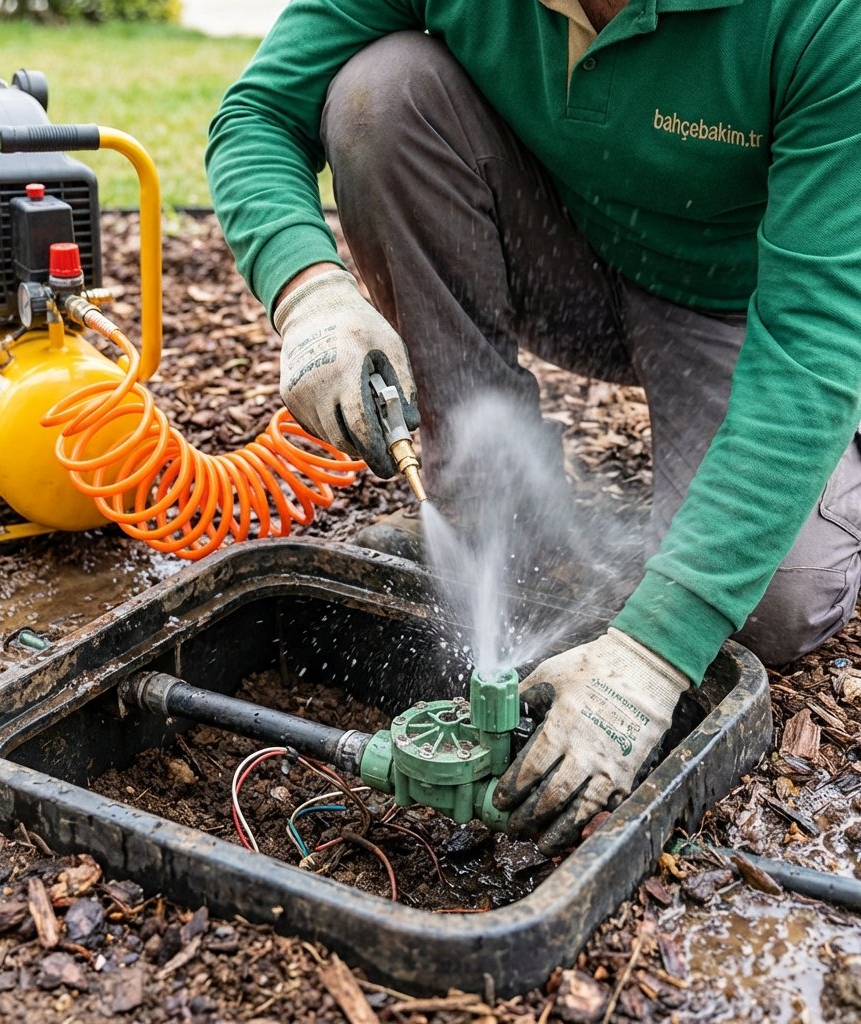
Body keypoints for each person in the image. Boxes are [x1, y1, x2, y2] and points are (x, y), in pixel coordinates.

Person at [205, 0, 861, 851]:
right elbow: (256, 113)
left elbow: (811, 334)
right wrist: (307, 292)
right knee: (382, 92)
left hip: (744, 298)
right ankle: (490, 503)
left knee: (771, 604)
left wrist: (654, 653)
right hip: (566, 248)